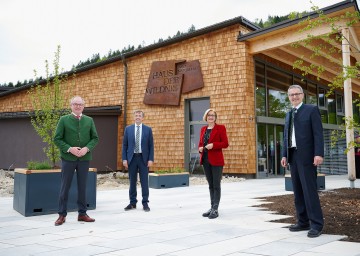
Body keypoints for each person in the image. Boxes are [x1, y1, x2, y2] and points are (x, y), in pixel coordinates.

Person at [280, 84, 324, 238]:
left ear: (302, 95)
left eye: (297, 94)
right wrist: (284, 154)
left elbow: (318, 134)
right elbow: (286, 136)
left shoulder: (311, 110)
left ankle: (316, 224)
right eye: (291, 95)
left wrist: (318, 153)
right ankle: (303, 221)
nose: (294, 97)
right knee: (298, 191)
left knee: (309, 190)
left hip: (307, 157)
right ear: (289, 97)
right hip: (293, 156)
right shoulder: (288, 114)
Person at [53, 96, 99, 226]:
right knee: (65, 187)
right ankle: (62, 215)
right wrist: (69, 149)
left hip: (84, 159)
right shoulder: (63, 120)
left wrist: (87, 148)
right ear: (71, 105)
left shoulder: (89, 120)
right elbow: (57, 139)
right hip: (68, 159)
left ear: (83, 106)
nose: (78, 106)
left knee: (82, 187)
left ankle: (82, 214)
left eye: (80, 104)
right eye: (75, 104)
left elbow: (95, 138)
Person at [198, 109, 229, 219]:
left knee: (216, 185)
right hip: (206, 160)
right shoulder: (203, 129)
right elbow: (200, 144)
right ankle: (212, 207)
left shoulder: (221, 128)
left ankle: (215, 209)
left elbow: (225, 143)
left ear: (215, 117)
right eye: (209, 115)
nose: (211, 117)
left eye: (213, 115)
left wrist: (213, 145)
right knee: (210, 185)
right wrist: (200, 148)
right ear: (206, 117)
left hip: (216, 161)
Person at [122, 110, 154, 212]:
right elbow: (125, 145)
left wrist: (150, 159)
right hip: (131, 158)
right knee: (132, 182)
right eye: (136, 115)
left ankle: (145, 203)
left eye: (139, 115)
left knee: (144, 182)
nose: (137, 117)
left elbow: (151, 146)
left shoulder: (148, 129)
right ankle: (132, 203)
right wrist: (124, 159)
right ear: (134, 117)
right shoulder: (128, 129)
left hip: (143, 159)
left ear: (142, 118)